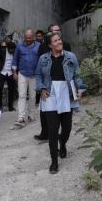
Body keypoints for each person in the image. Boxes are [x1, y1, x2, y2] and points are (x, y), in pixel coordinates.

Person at [35, 32, 85, 173]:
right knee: (52, 129)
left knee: (67, 127)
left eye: (59, 40)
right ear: (50, 45)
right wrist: (41, 88)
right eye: (55, 41)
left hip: (66, 93)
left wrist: (80, 89)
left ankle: (62, 144)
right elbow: (38, 75)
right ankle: (54, 162)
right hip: (50, 93)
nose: (59, 42)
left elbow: (77, 75)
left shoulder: (70, 57)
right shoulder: (43, 58)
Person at [34, 24, 72, 142]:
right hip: (48, 85)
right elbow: (40, 70)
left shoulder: (66, 46)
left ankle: (61, 140)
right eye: (54, 31)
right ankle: (45, 133)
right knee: (46, 114)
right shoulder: (43, 48)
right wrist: (42, 87)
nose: (57, 33)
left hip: (63, 86)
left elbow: (70, 65)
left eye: (58, 31)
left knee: (65, 118)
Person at [11, 29, 40, 128]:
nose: (28, 39)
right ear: (24, 37)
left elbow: (41, 59)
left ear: (33, 37)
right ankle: (21, 117)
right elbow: (15, 60)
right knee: (22, 95)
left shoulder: (38, 46)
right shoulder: (19, 46)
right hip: (22, 74)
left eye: (30, 37)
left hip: (34, 75)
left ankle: (31, 115)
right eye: (26, 37)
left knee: (32, 96)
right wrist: (14, 72)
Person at [0, 40, 17, 111]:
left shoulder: (15, 53)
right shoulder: (2, 51)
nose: (12, 51)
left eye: (13, 49)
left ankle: (10, 106)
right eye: (10, 49)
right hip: (2, 72)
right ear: (7, 48)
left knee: (11, 90)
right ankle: (0, 106)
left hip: (10, 73)